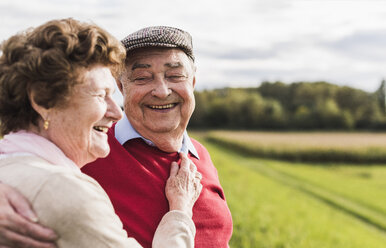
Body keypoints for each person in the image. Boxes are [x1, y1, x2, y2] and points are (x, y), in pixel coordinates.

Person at [0, 26, 233, 248]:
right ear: (122, 87)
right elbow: (24, 165)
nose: (162, 91)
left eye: (175, 75)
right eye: (142, 77)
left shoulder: (200, 154)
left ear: (192, 83)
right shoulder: (85, 150)